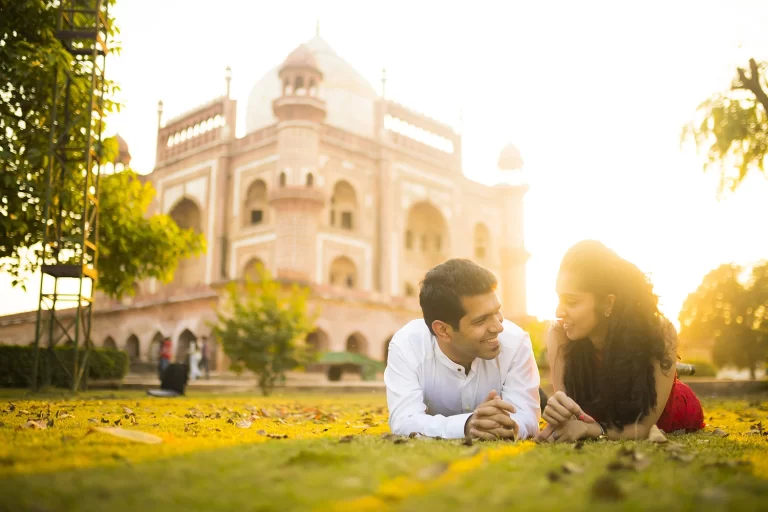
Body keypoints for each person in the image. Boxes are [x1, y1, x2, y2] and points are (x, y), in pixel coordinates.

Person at [537, 240, 705, 443]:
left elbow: (644, 427)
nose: (558, 312)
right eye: (559, 299)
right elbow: (571, 415)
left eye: (571, 302)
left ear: (608, 302)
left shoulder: (660, 331)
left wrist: (592, 429)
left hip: (667, 418)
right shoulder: (559, 333)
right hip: (603, 416)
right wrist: (560, 416)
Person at [385, 259, 541, 440]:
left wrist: (508, 426)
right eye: (481, 320)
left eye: (497, 311)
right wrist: (467, 424)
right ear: (443, 330)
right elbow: (404, 420)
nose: (498, 327)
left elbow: (527, 416)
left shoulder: (515, 342)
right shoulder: (408, 345)